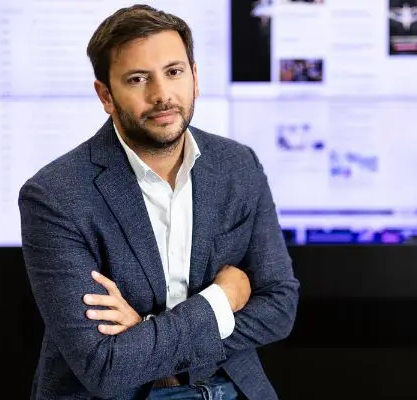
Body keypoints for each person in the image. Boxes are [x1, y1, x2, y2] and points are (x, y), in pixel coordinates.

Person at [18, 4, 300, 400]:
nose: (162, 94)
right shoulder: (55, 196)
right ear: (106, 95)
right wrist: (221, 300)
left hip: (227, 387)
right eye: (137, 79)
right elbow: (105, 366)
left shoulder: (238, 165)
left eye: (174, 72)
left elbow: (280, 309)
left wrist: (146, 331)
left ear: (195, 77)